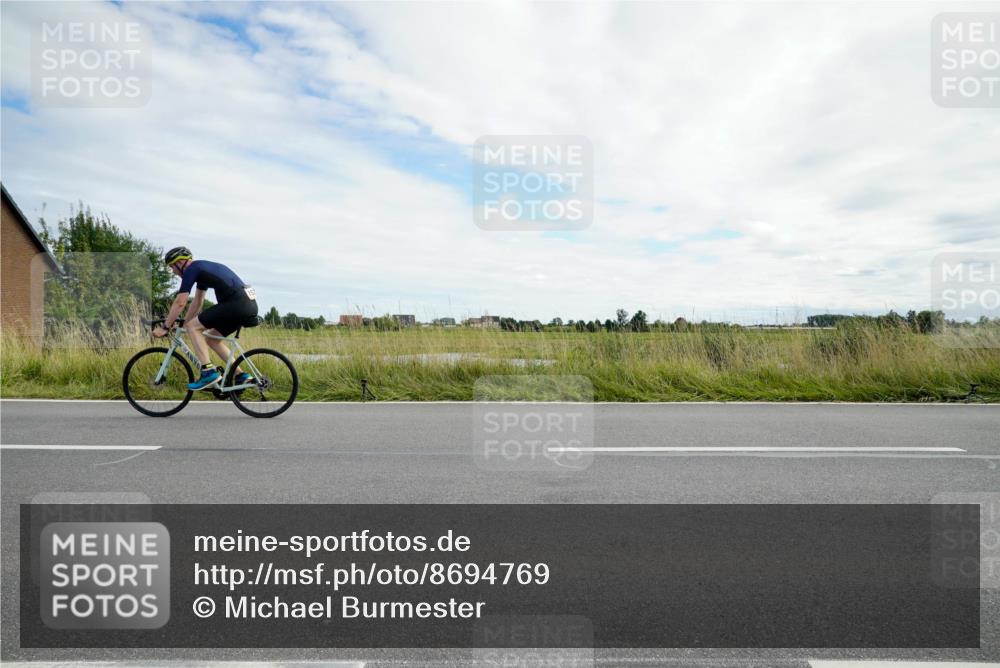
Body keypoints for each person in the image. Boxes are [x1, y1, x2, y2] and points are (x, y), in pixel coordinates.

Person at [153, 247, 258, 390]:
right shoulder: (201, 269)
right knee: (212, 339)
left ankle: (208, 372)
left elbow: (180, 302)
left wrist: (166, 327)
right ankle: (240, 375)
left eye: (172, 266)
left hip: (236, 304)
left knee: (193, 328)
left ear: (181, 262)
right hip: (246, 304)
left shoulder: (192, 269)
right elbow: (198, 302)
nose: (173, 271)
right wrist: (184, 324)